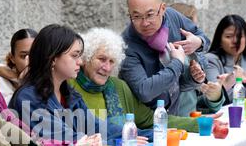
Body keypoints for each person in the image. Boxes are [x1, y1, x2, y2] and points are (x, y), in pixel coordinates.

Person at [9, 24, 148, 146]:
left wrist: (147, 134)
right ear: (52, 59)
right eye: (74, 55)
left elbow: (97, 127)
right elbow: (65, 141)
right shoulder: (28, 98)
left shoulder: (69, 94)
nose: (80, 62)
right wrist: (121, 142)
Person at [119, 0, 225, 117]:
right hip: (144, 123)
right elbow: (144, 92)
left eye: (150, 15)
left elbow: (204, 39)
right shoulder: (126, 45)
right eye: (136, 17)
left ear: (163, 8)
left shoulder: (173, 17)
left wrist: (198, 43)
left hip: (174, 115)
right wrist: (177, 63)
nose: (145, 23)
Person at [70, 27, 199, 133]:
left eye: (112, 61)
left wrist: (197, 124)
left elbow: (150, 120)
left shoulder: (118, 87)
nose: (107, 68)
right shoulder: (68, 86)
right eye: (102, 59)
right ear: (86, 57)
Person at [205, 14, 246, 104]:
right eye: (229, 36)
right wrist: (232, 80)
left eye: (239, 36)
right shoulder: (211, 60)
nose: (235, 41)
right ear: (219, 39)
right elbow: (213, 97)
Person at [0, 28, 37, 103]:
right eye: (23, 56)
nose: (29, 61)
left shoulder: (52, 77)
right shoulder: (0, 82)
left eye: (35, 54)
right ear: (12, 58)